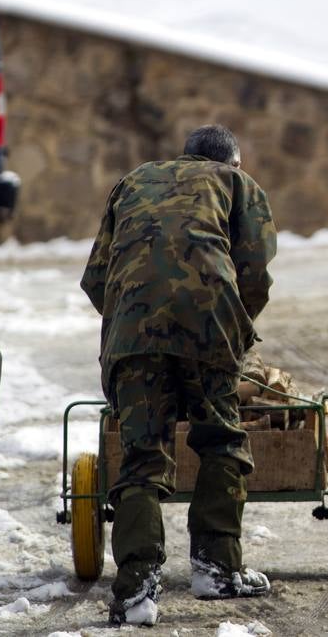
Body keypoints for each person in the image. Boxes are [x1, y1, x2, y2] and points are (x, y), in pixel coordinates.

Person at [82, 124, 278, 627]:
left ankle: (135, 592)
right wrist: (234, 330)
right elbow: (254, 270)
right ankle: (217, 567)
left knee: (142, 459)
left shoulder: (134, 181)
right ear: (232, 161)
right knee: (220, 441)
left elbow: (97, 276)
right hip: (208, 324)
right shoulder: (237, 185)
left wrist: (135, 323)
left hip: (132, 330)